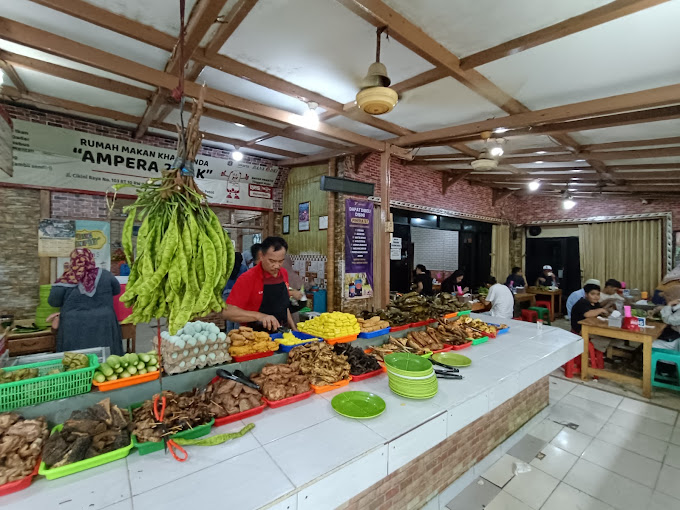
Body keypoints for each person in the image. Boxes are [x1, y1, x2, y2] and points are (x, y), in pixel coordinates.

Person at [48, 248, 123, 355]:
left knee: (76, 360)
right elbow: (117, 290)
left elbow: (53, 301)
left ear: (72, 261)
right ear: (91, 259)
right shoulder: (106, 275)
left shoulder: (65, 279)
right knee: (107, 359)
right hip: (104, 325)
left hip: (74, 328)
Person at [223, 236, 296, 331]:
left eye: (281, 261)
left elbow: (283, 306)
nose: (277, 266)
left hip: (281, 334)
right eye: (272, 261)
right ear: (261, 256)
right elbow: (228, 313)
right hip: (255, 336)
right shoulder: (248, 278)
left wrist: (294, 327)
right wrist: (259, 316)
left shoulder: (283, 273)